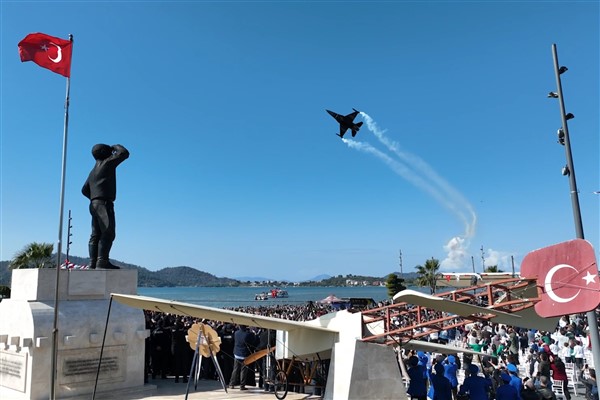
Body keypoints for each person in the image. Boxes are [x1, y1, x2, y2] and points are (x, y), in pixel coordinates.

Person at [82, 143, 129, 269]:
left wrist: (94, 198)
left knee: (95, 234)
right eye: (108, 150)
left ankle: (93, 262)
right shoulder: (106, 163)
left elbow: (84, 190)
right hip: (104, 203)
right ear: (103, 151)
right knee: (108, 232)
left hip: (94, 204)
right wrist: (115, 146)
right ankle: (102, 261)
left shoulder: (92, 172)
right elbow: (124, 153)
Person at [229, 325, 257, 391]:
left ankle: (231, 384)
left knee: (235, 369)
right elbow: (252, 342)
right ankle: (242, 385)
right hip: (245, 354)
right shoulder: (248, 334)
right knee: (243, 371)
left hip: (237, 353)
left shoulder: (236, 333)